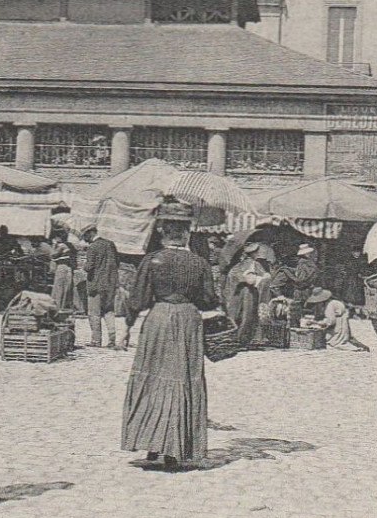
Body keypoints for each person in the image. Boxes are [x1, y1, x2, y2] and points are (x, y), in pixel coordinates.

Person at [121, 200, 218, 469]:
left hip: (159, 318)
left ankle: (154, 441)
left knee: (153, 379)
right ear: (187, 233)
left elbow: (137, 299)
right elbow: (209, 300)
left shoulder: (152, 261)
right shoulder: (199, 263)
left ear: (163, 231)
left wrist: (126, 327)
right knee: (182, 379)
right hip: (188, 320)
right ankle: (176, 447)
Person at [224, 241, 275, 346]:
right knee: (248, 315)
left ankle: (233, 338)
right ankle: (243, 340)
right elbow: (265, 278)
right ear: (254, 253)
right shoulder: (255, 264)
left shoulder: (237, 265)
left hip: (236, 293)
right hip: (249, 293)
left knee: (235, 314)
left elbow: (232, 278)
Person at [81, 224, 121, 349]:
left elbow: (89, 267)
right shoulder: (110, 244)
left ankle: (96, 340)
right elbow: (117, 262)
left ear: (90, 233)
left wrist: (83, 265)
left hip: (96, 285)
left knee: (94, 313)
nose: (84, 239)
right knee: (109, 311)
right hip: (110, 284)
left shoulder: (92, 247)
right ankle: (112, 340)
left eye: (85, 236)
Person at [306, 286, 369, 352]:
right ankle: (360, 346)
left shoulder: (330, 306)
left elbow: (331, 321)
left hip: (339, 325)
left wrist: (314, 322)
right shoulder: (333, 302)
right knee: (346, 338)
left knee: (336, 342)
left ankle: (357, 349)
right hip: (343, 322)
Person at [49, 229, 77, 311]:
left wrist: (54, 245)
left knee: (59, 287)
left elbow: (52, 255)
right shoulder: (70, 245)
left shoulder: (62, 246)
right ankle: (63, 306)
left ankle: (57, 306)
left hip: (62, 267)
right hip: (68, 268)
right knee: (66, 288)